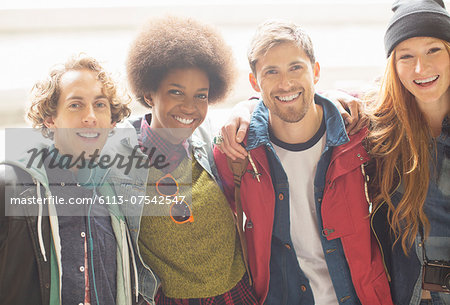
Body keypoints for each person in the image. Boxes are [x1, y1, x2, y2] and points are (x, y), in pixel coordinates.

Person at [213, 20, 393, 305]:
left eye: (296, 67)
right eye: (271, 72)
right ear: (254, 82)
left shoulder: (358, 134)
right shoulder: (236, 153)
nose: (285, 83)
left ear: (316, 72)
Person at [106, 16, 257, 305]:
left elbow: (259, 107)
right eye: (176, 92)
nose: (190, 107)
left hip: (239, 293)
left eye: (200, 96)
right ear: (150, 93)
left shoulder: (208, 135)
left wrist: (246, 105)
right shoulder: (119, 153)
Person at [0, 54, 134, 305]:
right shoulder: (12, 185)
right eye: (75, 105)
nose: (90, 116)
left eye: (100, 105)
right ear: (50, 119)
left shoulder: (118, 191)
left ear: (112, 120)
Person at [368, 1, 450, 304]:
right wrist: (248, 108)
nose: (421, 68)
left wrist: (439, 283)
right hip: (404, 293)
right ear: (393, 64)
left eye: (433, 50)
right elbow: (314, 107)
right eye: (406, 56)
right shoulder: (381, 129)